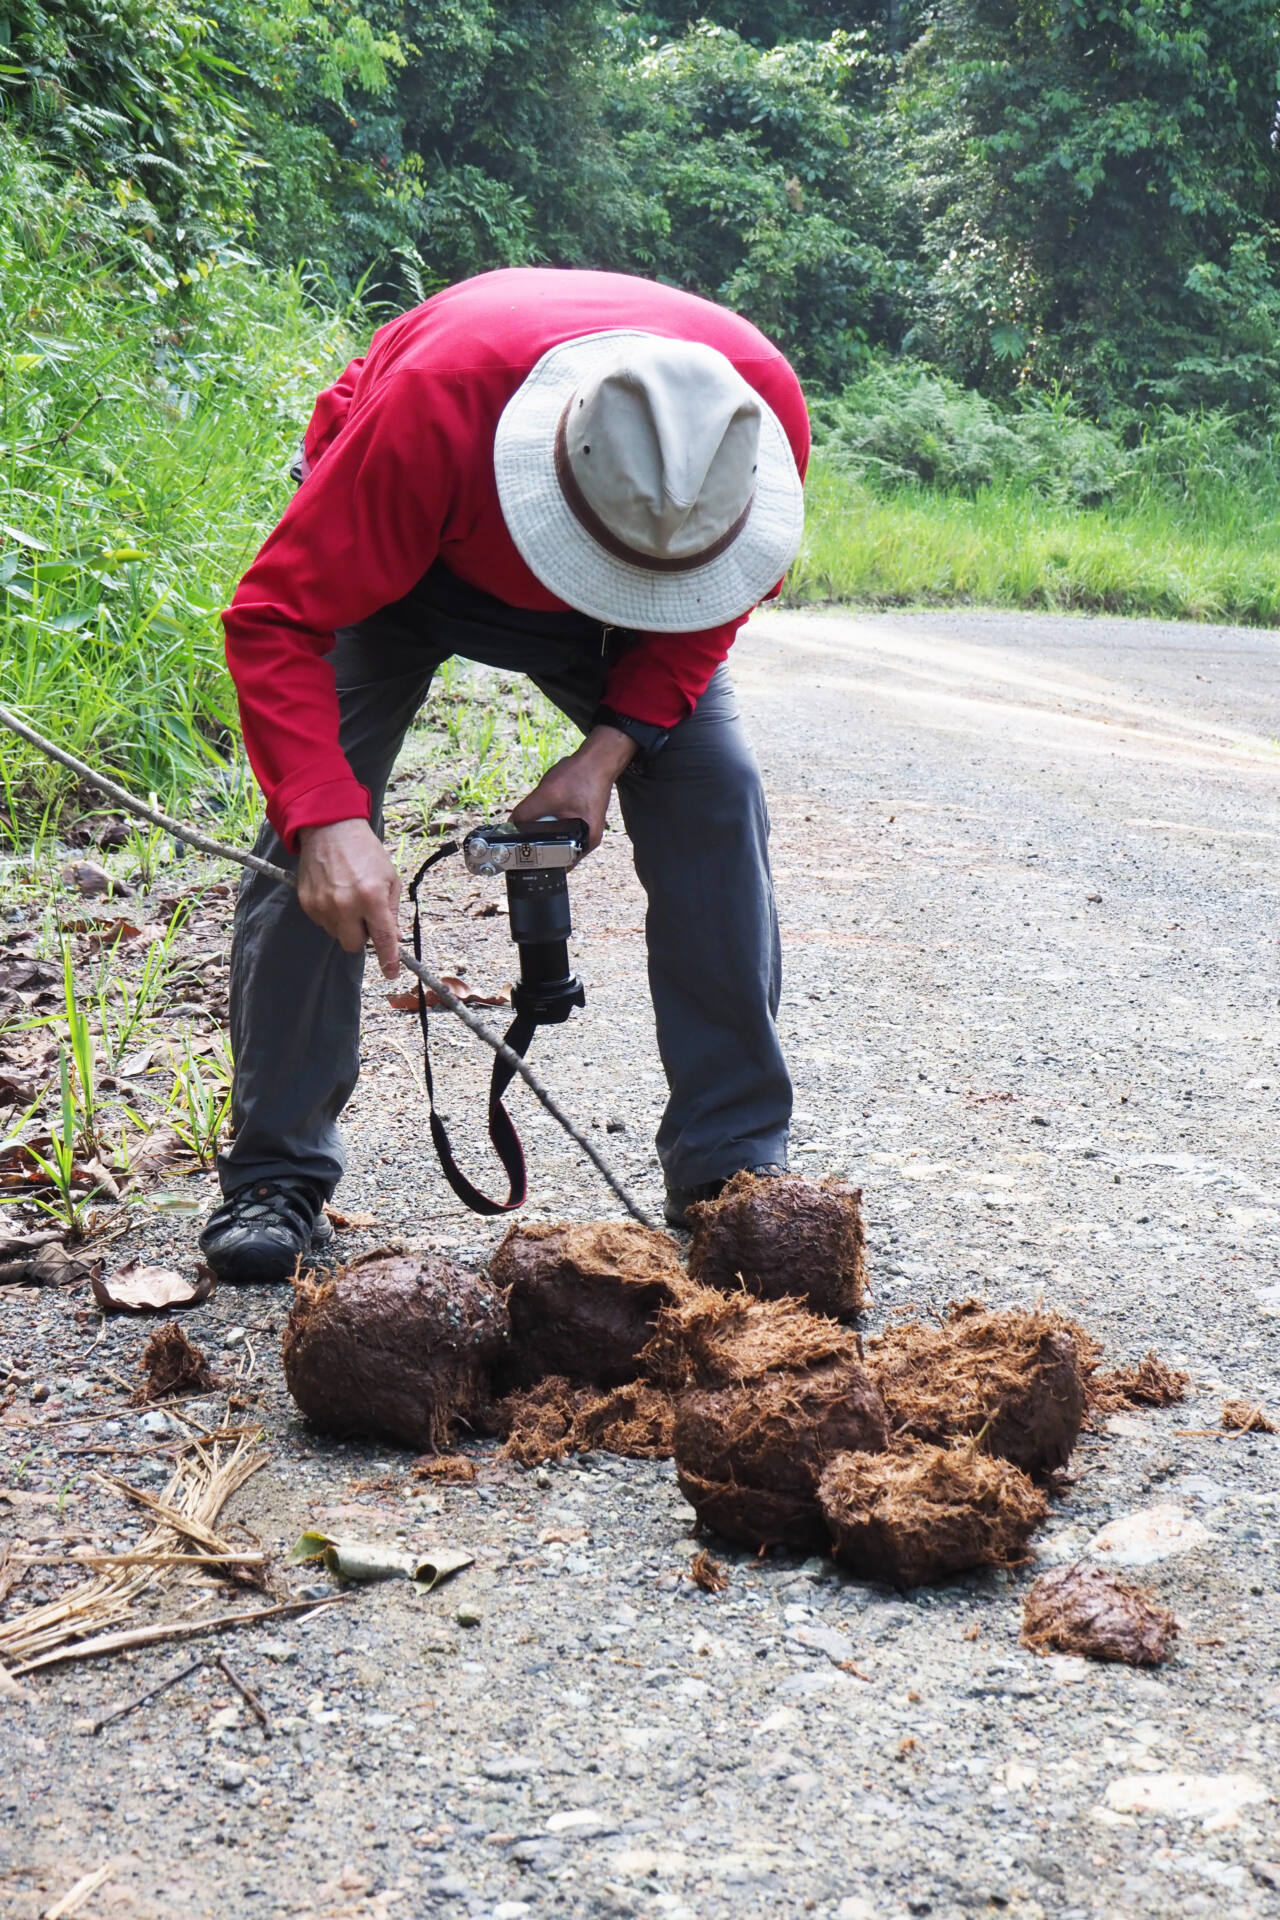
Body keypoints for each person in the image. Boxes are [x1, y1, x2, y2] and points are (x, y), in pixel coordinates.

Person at [201, 266, 809, 1281]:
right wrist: (325, 821)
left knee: (713, 792)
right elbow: (276, 621)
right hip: (410, 561)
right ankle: (275, 1173)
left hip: (619, 618)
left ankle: (729, 1173)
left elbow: (707, 613)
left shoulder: (756, 415)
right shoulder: (432, 412)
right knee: (310, 829)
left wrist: (605, 753)